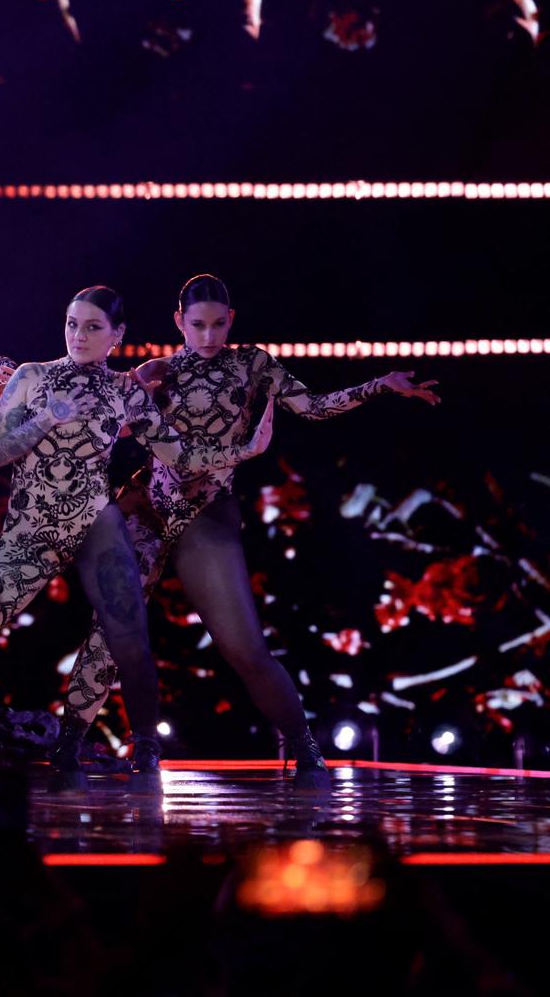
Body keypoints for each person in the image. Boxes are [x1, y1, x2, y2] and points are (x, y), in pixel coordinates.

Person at [55, 274, 440, 787]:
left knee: (243, 644)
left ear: (231, 321)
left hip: (206, 510)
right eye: (197, 326)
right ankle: (106, 747)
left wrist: (380, 387)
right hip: (143, 506)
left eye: (217, 325)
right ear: (178, 323)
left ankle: (304, 749)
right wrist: (33, 400)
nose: (208, 336)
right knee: (113, 635)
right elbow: (105, 420)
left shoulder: (251, 364)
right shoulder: (159, 370)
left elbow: (313, 406)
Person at [0, 286, 273, 792]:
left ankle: (83, 750)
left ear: (117, 335)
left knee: (120, 638)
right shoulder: (33, 376)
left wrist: (243, 450)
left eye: (92, 327)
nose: (78, 335)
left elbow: (177, 455)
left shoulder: (124, 391)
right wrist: (46, 417)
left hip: (94, 525)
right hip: (31, 528)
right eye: (71, 324)